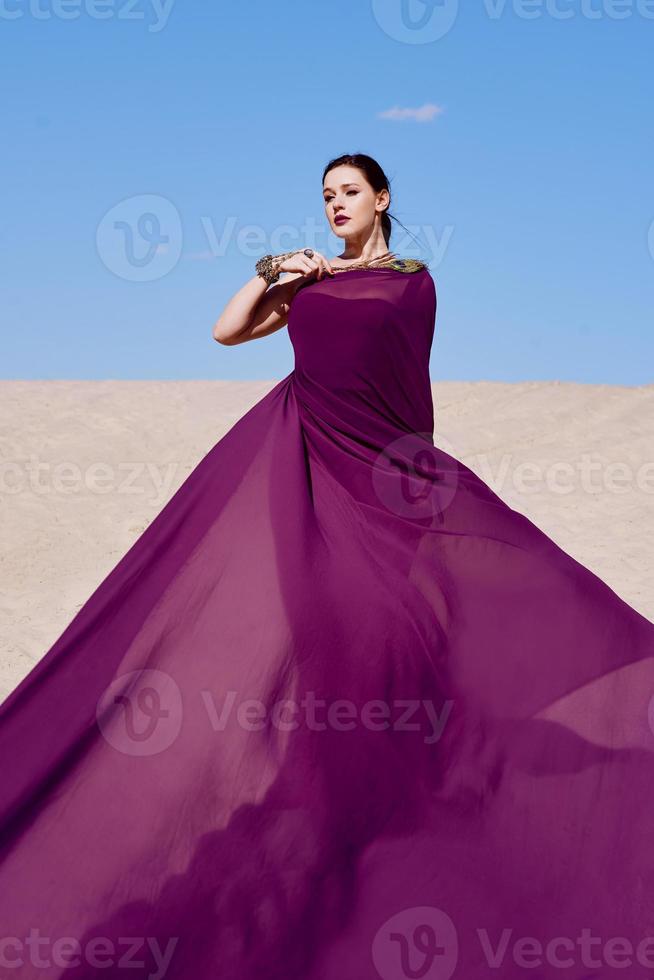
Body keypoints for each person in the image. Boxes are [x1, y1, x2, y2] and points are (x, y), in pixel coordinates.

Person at [0, 152, 652, 980]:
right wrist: (277, 272)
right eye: (326, 197)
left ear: (383, 198)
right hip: (303, 479)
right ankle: (333, 820)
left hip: (384, 485)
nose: (337, 204)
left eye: (350, 192)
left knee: (398, 638)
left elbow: (404, 379)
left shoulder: (412, 279)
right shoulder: (305, 283)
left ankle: (393, 817)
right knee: (321, 638)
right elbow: (227, 331)